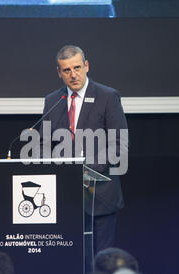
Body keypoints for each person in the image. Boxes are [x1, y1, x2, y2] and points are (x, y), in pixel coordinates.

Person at [41, 45, 129, 254]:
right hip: (65, 199)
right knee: (69, 259)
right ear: (59, 73)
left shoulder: (108, 96)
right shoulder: (52, 100)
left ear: (86, 66)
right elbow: (43, 144)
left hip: (100, 196)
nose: (73, 75)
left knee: (100, 261)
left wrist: (84, 169)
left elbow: (119, 144)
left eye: (77, 67)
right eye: (67, 70)